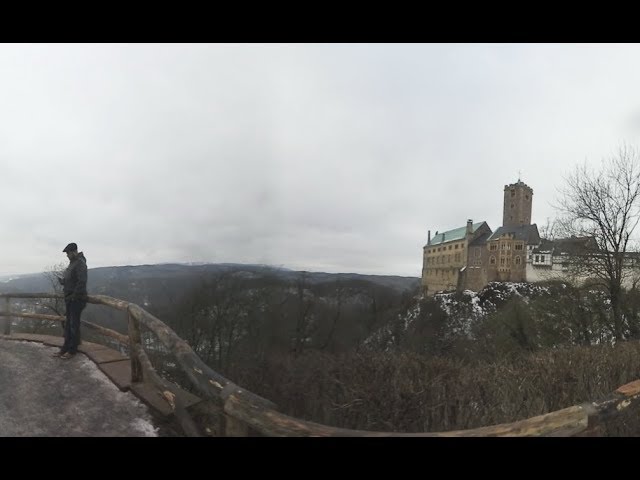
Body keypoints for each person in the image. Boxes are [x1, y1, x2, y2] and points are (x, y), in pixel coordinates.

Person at [52, 243, 88, 359]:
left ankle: (72, 350)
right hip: (70, 298)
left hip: (76, 300)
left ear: (74, 252)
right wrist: (63, 281)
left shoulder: (80, 263)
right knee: (68, 325)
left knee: (73, 325)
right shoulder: (73, 263)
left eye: (68, 253)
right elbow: (72, 280)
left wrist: (73, 296)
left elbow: (81, 282)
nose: (67, 255)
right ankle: (65, 348)